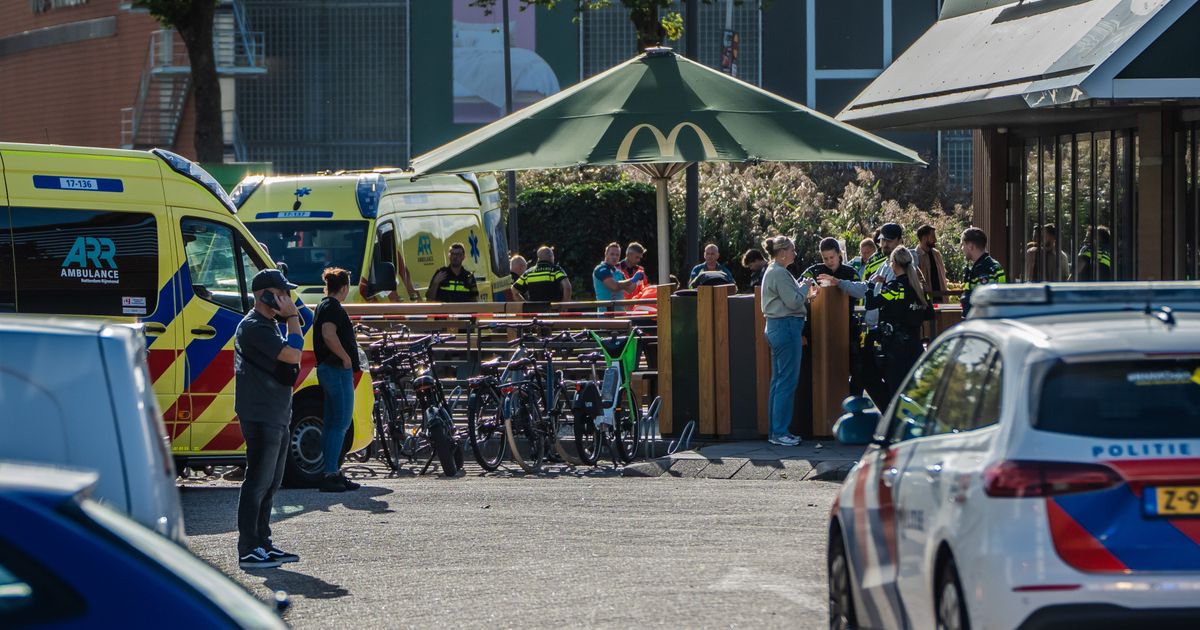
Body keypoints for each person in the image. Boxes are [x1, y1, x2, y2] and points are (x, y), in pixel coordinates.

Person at [234, 269, 303, 570]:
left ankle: (263, 541)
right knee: (257, 482)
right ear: (265, 294)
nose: (287, 298)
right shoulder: (254, 327)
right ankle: (249, 547)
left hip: (275, 412)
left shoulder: (267, 325)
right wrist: (293, 318)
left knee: (272, 483)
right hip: (260, 413)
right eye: (282, 293)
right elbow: (292, 355)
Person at [821, 222, 907, 408]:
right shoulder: (884, 264)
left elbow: (879, 296)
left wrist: (868, 289)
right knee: (867, 376)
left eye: (890, 241)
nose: (884, 244)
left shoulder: (906, 263)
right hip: (879, 332)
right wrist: (839, 282)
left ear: (900, 241)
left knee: (892, 381)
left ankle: (894, 422)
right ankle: (889, 420)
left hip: (897, 333)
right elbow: (866, 287)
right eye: (882, 240)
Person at [760, 235, 817, 447]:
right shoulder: (780, 273)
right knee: (786, 381)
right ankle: (780, 432)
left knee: (778, 381)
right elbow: (793, 302)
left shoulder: (773, 271)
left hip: (776, 327)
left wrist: (800, 289)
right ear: (782, 252)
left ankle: (776, 431)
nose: (794, 253)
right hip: (785, 327)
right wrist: (806, 286)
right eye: (792, 250)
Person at [314, 267, 363, 494]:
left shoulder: (322, 305)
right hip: (336, 369)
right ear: (344, 288)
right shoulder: (333, 307)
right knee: (340, 423)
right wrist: (345, 358)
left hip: (326, 368)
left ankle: (330, 470)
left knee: (331, 422)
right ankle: (331, 474)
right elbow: (328, 333)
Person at [862, 247, 928, 399]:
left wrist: (871, 284)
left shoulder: (895, 288)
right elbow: (928, 312)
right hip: (915, 346)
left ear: (894, 264)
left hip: (896, 350)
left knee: (895, 393)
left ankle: (892, 420)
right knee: (914, 393)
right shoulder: (918, 288)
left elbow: (870, 304)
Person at [800, 238, 861, 395]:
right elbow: (798, 291)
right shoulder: (813, 271)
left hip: (846, 329)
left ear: (839, 254)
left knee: (856, 370)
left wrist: (838, 284)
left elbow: (860, 292)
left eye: (832, 257)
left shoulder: (850, 273)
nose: (828, 261)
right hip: (818, 330)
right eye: (825, 258)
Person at [960, 227, 1006, 317]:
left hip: (980, 322)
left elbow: (985, 301)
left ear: (970, 246)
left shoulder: (984, 269)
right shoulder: (987, 265)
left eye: (963, 245)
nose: (962, 249)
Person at [593, 242, 643, 310]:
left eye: (617, 255)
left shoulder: (619, 272)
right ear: (606, 254)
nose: (615, 257)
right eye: (612, 254)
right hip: (606, 314)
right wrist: (632, 280)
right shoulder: (601, 269)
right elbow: (614, 287)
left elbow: (630, 289)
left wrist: (638, 280)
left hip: (621, 312)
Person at [915, 225, 947, 300]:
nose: (935, 240)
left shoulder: (937, 254)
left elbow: (943, 275)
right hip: (926, 300)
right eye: (933, 237)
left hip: (941, 298)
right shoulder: (916, 256)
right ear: (924, 238)